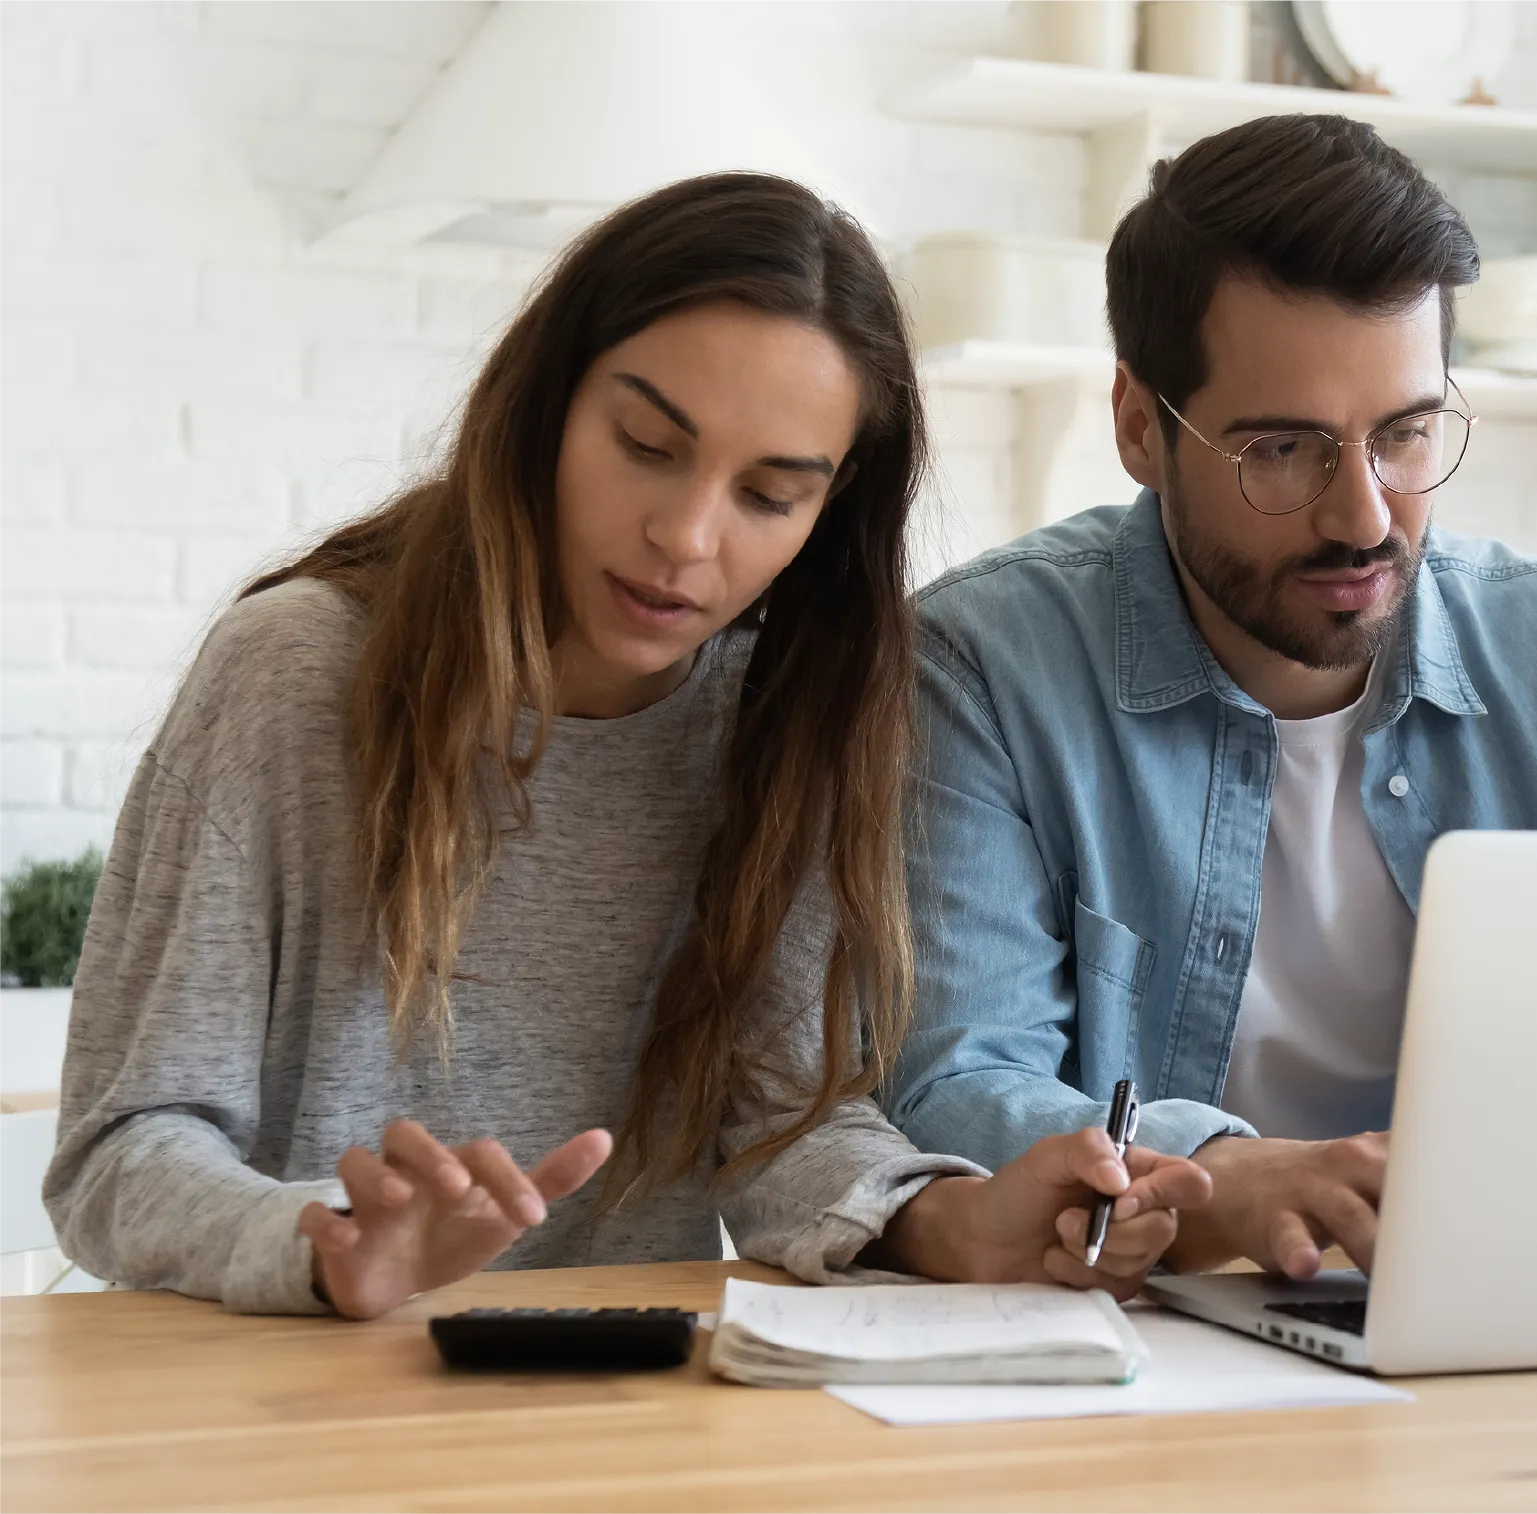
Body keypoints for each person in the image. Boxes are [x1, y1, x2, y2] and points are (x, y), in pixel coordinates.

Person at [44, 173, 1209, 1321]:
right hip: (269, 1404)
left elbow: (778, 1129)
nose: (685, 536)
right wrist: (325, 1242)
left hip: (602, 1400)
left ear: (828, 509)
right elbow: (122, 1146)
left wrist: (955, 1219)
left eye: (768, 494)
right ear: (549, 403)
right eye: (648, 444)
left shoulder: (785, 715)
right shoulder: (292, 675)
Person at [887, 115, 1537, 1281]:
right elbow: (952, 1080)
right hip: (1151, 1333)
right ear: (1139, 425)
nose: (1364, 516)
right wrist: (1224, 1177)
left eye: (1405, 433)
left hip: (1530, 1297)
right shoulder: (979, 663)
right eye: (1281, 450)